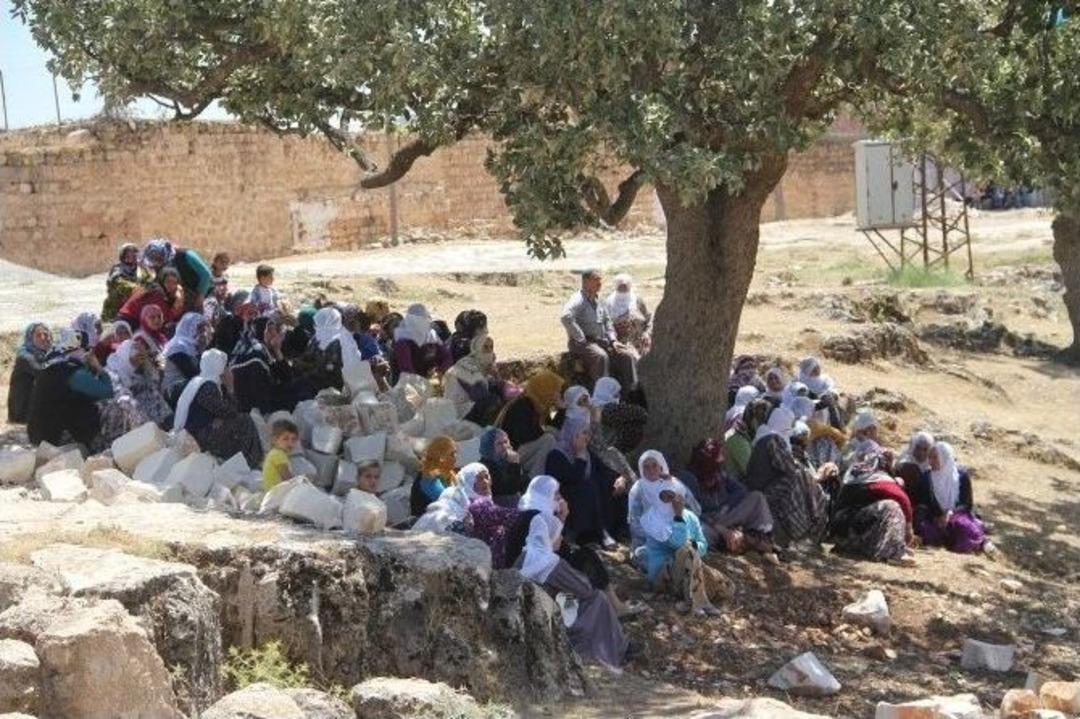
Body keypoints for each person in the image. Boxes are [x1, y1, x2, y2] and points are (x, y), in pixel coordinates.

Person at [515, 475, 630, 669]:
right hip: (549, 607)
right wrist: (561, 519)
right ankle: (608, 651)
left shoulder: (527, 549)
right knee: (598, 599)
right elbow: (584, 588)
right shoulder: (546, 557)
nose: (559, 499)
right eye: (556, 495)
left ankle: (613, 647)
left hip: (541, 599)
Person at [744, 406, 833, 548]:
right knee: (799, 477)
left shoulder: (765, 435)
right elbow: (789, 467)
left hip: (764, 489)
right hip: (762, 492)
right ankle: (808, 523)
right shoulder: (773, 439)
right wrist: (813, 477)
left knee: (801, 477)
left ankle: (813, 517)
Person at [642, 483, 724, 615]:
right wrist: (678, 517)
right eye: (664, 497)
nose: (669, 501)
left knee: (727, 586)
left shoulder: (691, 517)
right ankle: (696, 602)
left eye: (672, 496)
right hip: (663, 575)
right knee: (687, 549)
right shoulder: (654, 517)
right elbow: (677, 543)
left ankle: (693, 594)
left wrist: (694, 545)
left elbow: (703, 545)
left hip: (688, 569)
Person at [173, 348, 264, 467]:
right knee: (245, 420)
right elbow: (231, 412)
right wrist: (231, 388)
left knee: (237, 422)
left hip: (201, 432)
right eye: (225, 366)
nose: (228, 370)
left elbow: (222, 411)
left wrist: (220, 416)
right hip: (200, 437)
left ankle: (248, 460)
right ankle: (254, 462)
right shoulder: (207, 386)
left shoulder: (201, 381)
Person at [544, 415, 623, 547]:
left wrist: (619, 479)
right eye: (584, 433)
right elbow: (574, 477)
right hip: (565, 500)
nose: (588, 437)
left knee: (611, 485)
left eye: (588, 433)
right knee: (588, 486)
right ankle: (593, 534)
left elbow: (603, 469)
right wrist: (579, 456)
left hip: (586, 497)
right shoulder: (556, 455)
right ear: (573, 433)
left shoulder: (587, 453)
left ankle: (618, 531)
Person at [686, 439, 776, 556]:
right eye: (718, 457)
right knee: (701, 533)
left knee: (757, 497)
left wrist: (726, 506)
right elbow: (691, 511)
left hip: (726, 516)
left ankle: (757, 538)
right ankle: (732, 541)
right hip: (707, 522)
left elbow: (741, 490)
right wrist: (719, 527)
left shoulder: (720, 475)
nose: (722, 460)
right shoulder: (689, 478)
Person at [27, 329, 113, 447]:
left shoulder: (53, 363)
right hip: (56, 438)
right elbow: (108, 392)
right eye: (88, 350)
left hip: (39, 434)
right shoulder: (72, 371)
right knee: (116, 405)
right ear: (81, 350)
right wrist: (98, 367)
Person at [831, 449, 916, 564]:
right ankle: (893, 553)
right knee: (891, 506)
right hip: (849, 528)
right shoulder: (876, 478)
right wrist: (909, 527)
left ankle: (891, 546)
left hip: (842, 532)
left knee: (880, 511)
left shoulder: (855, 474)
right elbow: (901, 497)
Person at [561, 270, 637, 391]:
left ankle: (631, 393)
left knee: (626, 356)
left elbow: (608, 321)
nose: (600, 283)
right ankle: (601, 394)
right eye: (596, 279)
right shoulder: (578, 299)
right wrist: (580, 337)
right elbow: (566, 317)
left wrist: (613, 340)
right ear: (586, 282)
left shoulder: (600, 300)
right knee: (601, 357)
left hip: (601, 341)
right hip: (583, 343)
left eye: (600, 279)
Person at [913, 442, 991, 555]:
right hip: (936, 518)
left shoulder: (962, 477)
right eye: (930, 457)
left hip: (957, 515)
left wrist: (950, 513)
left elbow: (967, 504)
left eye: (935, 457)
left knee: (962, 525)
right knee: (926, 529)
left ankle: (981, 542)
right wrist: (936, 518)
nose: (930, 461)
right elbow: (924, 503)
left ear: (945, 457)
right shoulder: (926, 478)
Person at [230, 316, 312, 413]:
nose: (282, 338)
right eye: (281, 334)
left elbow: (287, 376)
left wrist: (277, 350)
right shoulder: (256, 358)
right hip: (255, 408)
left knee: (301, 383)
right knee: (302, 390)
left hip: (260, 398)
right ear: (268, 333)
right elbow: (261, 399)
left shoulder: (255, 346)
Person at [98, 335, 174, 439]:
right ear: (125, 355)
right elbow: (124, 401)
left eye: (142, 356)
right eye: (136, 356)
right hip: (120, 419)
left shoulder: (139, 369)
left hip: (143, 413)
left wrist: (147, 362)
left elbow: (155, 384)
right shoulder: (113, 372)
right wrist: (147, 426)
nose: (139, 360)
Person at [627, 450, 701, 554]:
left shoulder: (674, 483)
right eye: (646, 467)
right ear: (641, 470)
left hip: (678, 532)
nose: (651, 470)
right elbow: (635, 525)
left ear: (661, 467)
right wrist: (661, 538)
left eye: (654, 465)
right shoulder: (638, 490)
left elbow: (695, 510)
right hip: (648, 541)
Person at [496, 369, 563, 477]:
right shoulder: (523, 404)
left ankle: (534, 476)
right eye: (556, 391)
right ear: (545, 389)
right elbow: (523, 436)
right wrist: (544, 430)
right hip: (508, 451)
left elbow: (553, 425)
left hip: (522, 450)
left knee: (552, 437)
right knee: (548, 439)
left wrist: (560, 409)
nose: (558, 394)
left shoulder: (540, 404)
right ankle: (534, 479)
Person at [443, 333, 504, 424]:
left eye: (491, 347)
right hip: (458, 411)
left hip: (469, 406)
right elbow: (479, 395)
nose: (489, 351)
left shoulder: (481, 365)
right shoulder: (466, 366)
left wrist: (495, 375)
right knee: (493, 401)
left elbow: (496, 385)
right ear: (477, 348)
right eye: (485, 347)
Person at [592, 377, 648, 457]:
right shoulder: (608, 409)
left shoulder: (593, 408)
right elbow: (641, 413)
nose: (618, 396)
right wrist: (635, 395)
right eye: (615, 393)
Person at [392, 303, 452, 378]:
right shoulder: (403, 342)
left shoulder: (431, 335)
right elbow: (407, 370)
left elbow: (447, 356)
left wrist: (440, 371)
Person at [8, 323, 51, 423]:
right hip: (21, 412)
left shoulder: (44, 354)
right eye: (38, 335)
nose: (43, 338)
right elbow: (43, 374)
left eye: (46, 334)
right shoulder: (25, 357)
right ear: (30, 338)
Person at [162, 312, 209, 405]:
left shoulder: (192, 345)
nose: (203, 333)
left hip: (187, 385)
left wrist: (202, 349)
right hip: (173, 389)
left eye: (204, 330)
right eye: (199, 329)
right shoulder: (177, 346)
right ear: (188, 327)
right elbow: (192, 373)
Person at [606, 273, 653, 356]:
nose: (623, 289)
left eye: (625, 287)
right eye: (620, 287)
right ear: (616, 287)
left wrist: (647, 333)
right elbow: (607, 325)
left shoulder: (637, 300)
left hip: (642, 341)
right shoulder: (609, 303)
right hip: (622, 343)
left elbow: (649, 319)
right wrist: (614, 340)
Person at [410, 435, 458, 515]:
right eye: (451, 454)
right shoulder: (429, 477)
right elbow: (447, 502)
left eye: (455, 453)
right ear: (441, 457)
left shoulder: (448, 474)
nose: (455, 458)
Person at [478, 427, 526, 507]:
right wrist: (514, 465)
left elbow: (524, 483)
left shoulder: (506, 460)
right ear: (489, 446)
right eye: (499, 444)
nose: (504, 446)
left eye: (506, 442)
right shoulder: (485, 467)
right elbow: (510, 489)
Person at [724, 398, 771, 480]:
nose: (762, 425)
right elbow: (752, 473)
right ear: (752, 419)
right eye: (760, 420)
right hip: (734, 481)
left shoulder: (743, 431)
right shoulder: (737, 439)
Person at [102, 242, 141, 320]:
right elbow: (117, 280)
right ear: (122, 256)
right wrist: (135, 288)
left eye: (133, 255)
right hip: (116, 311)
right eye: (128, 255)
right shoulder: (118, 269)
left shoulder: (139, 269)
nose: (131, 258)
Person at [263, 419, 299, 491]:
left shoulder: (277, 453)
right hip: (276, 494)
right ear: (274, 440)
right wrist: (300, 482)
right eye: (285, 439)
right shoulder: (278, 454)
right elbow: (287, 477)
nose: (290, 443)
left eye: (293, 439)